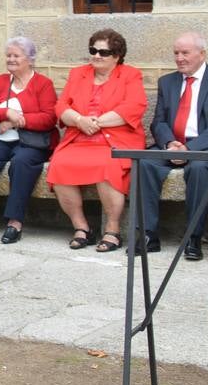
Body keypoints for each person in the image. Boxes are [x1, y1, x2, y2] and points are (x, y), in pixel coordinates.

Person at [139, 32, 208, 261]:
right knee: (144, 162)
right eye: (176, 53)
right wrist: (169, 143)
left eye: (185, 53)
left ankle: (194, 237)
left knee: (198, 168)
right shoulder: (168, 82)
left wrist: (189, 149)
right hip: (173, 142)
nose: (179, 58)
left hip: (206, 146)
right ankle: (147, 234)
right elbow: (159, 121)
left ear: (202, 54)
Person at [47, 29, 148, 253]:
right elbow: (61, 106)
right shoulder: (78, 74)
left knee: (107, 165)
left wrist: (97, 123)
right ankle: (81, 227)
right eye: (93, 50)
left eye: (104, 52)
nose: (97, 56)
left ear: (117, 56)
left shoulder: (130, 75)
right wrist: (79, 120)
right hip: (79, 138)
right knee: (60, 163)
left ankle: (112, 230)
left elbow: (134, 106)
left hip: (116, 140)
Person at [0, 36, 58, 244]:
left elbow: (49, 118)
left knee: (21, 163)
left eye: (16, 56)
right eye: (8, 55)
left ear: (29, 59)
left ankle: (14, 221)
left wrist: (19, 121)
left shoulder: (43, 84)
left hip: (32, 141)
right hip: (1, 139)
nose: (11, 59)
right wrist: (7, 113)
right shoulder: (1, 81)